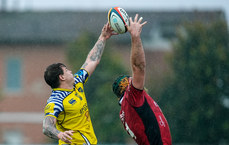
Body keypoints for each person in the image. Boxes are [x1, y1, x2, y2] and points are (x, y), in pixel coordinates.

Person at [43, 22, 117, 145]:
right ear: (62, 77)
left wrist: (103, 37)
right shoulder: (56, 101)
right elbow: (46, 127)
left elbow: (92, 60)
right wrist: (60, 134)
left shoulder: (77, 81)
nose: (71, 71)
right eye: (67, 70)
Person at [112, 14, 172, 145]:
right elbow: (138, 66)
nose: (136, 81)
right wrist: (135, 37)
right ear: (127, 86)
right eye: (132, 80)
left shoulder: (125, 109)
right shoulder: (132, 97)